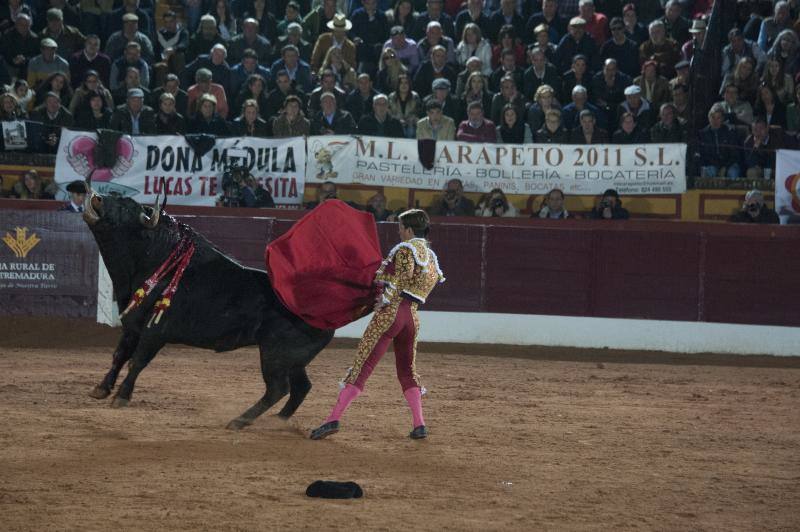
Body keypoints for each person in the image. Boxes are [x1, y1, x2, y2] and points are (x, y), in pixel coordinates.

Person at [309, 209, 445, 440]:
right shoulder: (430, 256)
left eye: (401, 227)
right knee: (407, 370)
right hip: (412, 317)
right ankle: (419, 424)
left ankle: (332, 419)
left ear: (409, 229)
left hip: (390, 314)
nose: (399, 231)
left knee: (363, 367)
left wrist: (385, 298)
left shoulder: (405, 250)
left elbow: (402, 277)